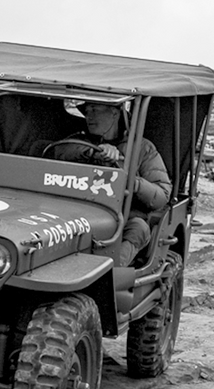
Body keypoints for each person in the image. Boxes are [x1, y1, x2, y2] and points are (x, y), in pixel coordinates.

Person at [45, 101, 170, 266]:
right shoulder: (78, 140)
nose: (89, 116)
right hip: (78, 212)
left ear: (115, 113)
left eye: (95, 109)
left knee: (139, 228)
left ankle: (110, 274)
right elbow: (59, 152)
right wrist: (93, 152)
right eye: (87, 111)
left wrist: (131, 181)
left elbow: (161, 195)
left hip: (124, 217)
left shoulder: (142, 148)